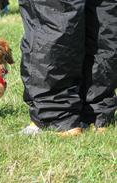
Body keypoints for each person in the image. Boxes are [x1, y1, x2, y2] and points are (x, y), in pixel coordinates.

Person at [18, 0, 117, 135]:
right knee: (100, 8)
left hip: (57, 112)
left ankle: (55, 116)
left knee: (54, 8)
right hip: (97, 106)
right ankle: (95, 113)